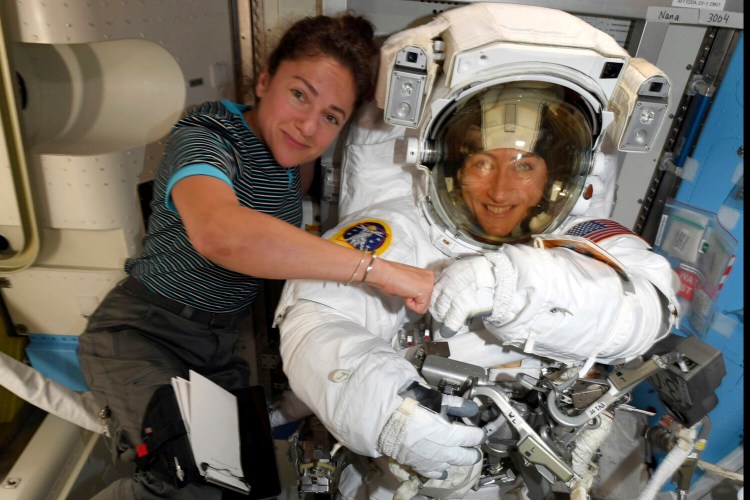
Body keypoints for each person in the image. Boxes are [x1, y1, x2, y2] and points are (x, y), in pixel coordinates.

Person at [273, 5, 680, 498]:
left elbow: (647, 309)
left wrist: (510, 284)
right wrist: (394, 412)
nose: (502, 191)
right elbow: (316, 320)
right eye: (483, 163)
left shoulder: (585, 237)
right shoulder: (399, 230)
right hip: (403, 476)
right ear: (446, 164)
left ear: (555, 174)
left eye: (526, 166)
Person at [77, 12, 434, 500]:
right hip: (143, 332)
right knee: (187, 484)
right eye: (299, 93)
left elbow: (285, 246)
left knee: (249, 488)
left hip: (217, 348)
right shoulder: (207, 134)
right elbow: (222, 234)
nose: (308, 126)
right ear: (265, 80)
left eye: (332, 116)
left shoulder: (297, 168)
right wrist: (381, 273)